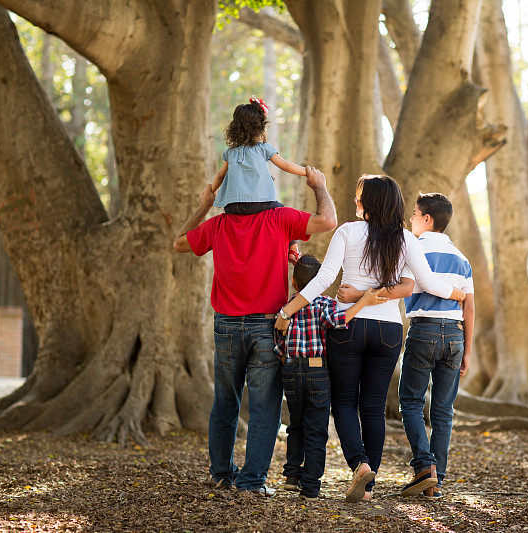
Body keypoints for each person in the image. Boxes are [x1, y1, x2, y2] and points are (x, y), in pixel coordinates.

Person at [274, 175, 465, 502]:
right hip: (388, 330)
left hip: (348, 325)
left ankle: (360, 465)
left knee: (345, 402)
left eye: (359, 195)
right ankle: (369, 487)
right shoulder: (405, 237)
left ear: (370, 202)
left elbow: (323, 280)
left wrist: (288, 310)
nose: (354, 200)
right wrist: (458, 294)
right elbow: (428, 283)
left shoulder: (347, 231)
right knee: (373, 407)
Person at [173, 166, 337, 497]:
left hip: (227, 325)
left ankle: (220, 475)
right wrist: (318, 185)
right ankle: (251, 482)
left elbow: (178, 243)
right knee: (264, 406)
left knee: (225, 402)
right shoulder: (280, 219)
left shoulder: (218, 223)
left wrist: (206, 203)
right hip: (268, 325)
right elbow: (328, 219)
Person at [275, 254, 387, 500]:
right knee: (316, 429)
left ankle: (292, 476)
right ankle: (311, 485)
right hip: (317, 372)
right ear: (323, 283)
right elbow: (341, 320)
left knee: (296, 424)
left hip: (292, 370)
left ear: (294, 283)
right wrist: (365, 301)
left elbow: (279, 344)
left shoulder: (288, 307)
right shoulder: (324, 304)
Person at [397, 193, 474, 501]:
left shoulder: (413, 250)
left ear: (427, 219)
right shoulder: (462, 257)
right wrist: (467, 351)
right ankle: (436, 481)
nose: (411, 219)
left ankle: (425, 465)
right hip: (455, 336)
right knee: (444, 410)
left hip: (423, 331)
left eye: (414, 214)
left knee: (411, 402)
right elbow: (470, 307)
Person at [212, 97, 307, 216]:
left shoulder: (230, 152)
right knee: (280, 210)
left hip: (232, 207)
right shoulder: (263, 148)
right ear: (261, 128)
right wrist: (307, 172)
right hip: (257, 204)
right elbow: (285, 165)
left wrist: (212, 191)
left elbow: (220, 175)